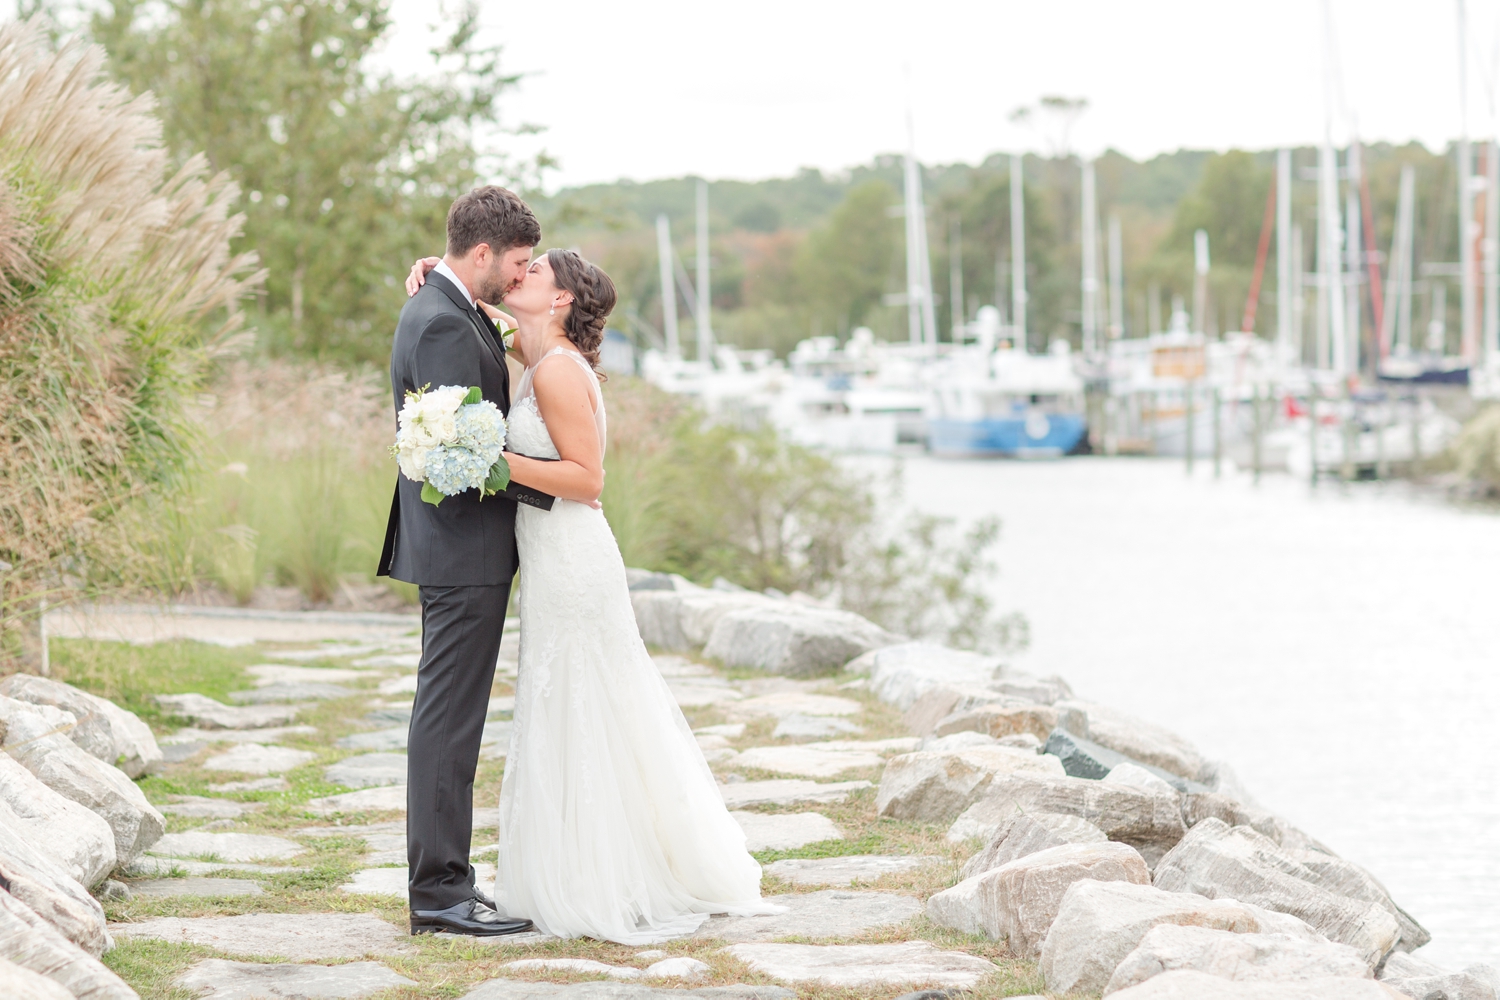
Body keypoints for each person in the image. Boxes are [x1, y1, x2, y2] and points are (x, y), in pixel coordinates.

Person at [405, 250, 778, 943]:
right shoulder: (537, 351)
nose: (520, 277)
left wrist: (482, 457)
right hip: (549, 559)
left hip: (573, 560)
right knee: (565, 707)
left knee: (585, 704)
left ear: (561, 301)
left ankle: (608, 875)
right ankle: (581, 867)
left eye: (535, 273)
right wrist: (439, 272)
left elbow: (587, 478)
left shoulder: (556, 370)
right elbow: (477, 313)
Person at [377, 186, 540, 937]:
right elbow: (458, 454)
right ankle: (439, 894)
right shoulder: (442, 321)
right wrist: (553, 492)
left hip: (459, 549)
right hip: (464, 548)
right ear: (481, 254)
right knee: (448, 721)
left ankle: (448, 881)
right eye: (515, 263)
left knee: (448, 717)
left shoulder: (448, 305)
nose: (518, 276)